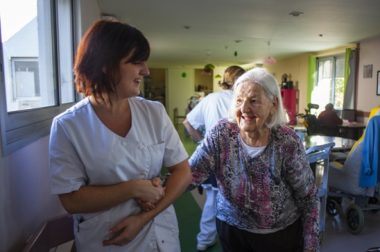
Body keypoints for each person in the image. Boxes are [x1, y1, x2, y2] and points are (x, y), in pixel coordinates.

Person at [48, 19, 192, 251]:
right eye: (136, 62)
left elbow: (183, 171)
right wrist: (134, 188)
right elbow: (71, 200)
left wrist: (145, 216)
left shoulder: (153, 112)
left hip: (161, 234)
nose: (145, 71)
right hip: (107, 240)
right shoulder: (69, 126)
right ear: (106, 64)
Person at [189, 68, 320, 252]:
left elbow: (308, 198)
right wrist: (154, 190)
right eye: (239, 100)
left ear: (273, 104)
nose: (244, 109)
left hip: (280, 238)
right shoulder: (221, 134)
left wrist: (311, 245)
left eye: (253, 100)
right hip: (232, 232)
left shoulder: (287, 141)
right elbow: (190, 174)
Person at [183, 66, 245, 251]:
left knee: (212, 199)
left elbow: (188, 122)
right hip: (239, 158)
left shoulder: (211, 98)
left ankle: (204, 240)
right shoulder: (244, 100)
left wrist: (202, 142)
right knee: (240, 201)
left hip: (214, 157)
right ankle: (238, 241)